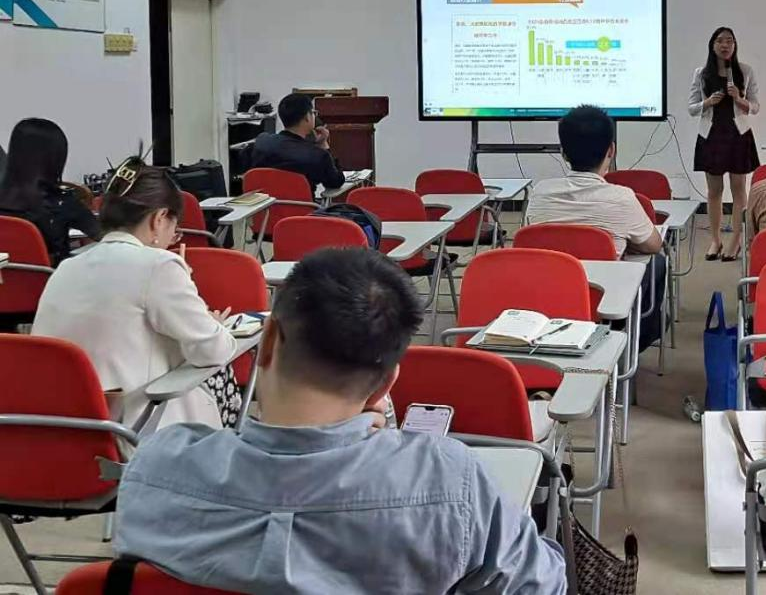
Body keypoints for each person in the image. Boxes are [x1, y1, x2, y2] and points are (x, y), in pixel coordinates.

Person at [114, 247, 567, 594]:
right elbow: (542, 584)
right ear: (386, 384)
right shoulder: (450, 483)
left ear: (266, 342)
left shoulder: (157, 468)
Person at [32, 157, 238, 429]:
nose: (172, 239)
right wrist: (213, 324)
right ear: (159, 219)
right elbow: (213, 351)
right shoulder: (159, 266)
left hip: (63, 427)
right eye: (174, 230)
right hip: (137, 428)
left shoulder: (66, 269)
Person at [527, 106, 666, 349]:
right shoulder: (622, 198)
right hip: (603, 303)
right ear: (611, 150)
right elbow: (654, 244)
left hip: (545, 298)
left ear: (563, 153)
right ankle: (634, 338)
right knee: (657, 262)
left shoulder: (540, 193)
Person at [688, 26, 760, 261]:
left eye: (730, 41)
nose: (725, 45)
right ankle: (715, 240)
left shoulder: (745, 71)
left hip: (738, 135)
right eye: (720, 41)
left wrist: (738, 98)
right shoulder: (701, 74)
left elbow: (755, 106)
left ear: (735, 45)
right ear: (712, 45)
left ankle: (735, 241)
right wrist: (708, 102)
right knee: (714, 191)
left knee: (739, 190)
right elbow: (691, 108)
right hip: (711, 135)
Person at [0, 117, 100, 265]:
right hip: (55, 279)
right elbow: (106, 235)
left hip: (5, 279)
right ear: (56, 159)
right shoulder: (61, 203)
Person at [249, 92, 344, 194]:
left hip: (265, 203)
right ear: (307, 117)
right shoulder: (318, 155)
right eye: (313, 113)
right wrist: (323, 144)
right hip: (302, 204)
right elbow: (336, 182)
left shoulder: (262, 142)